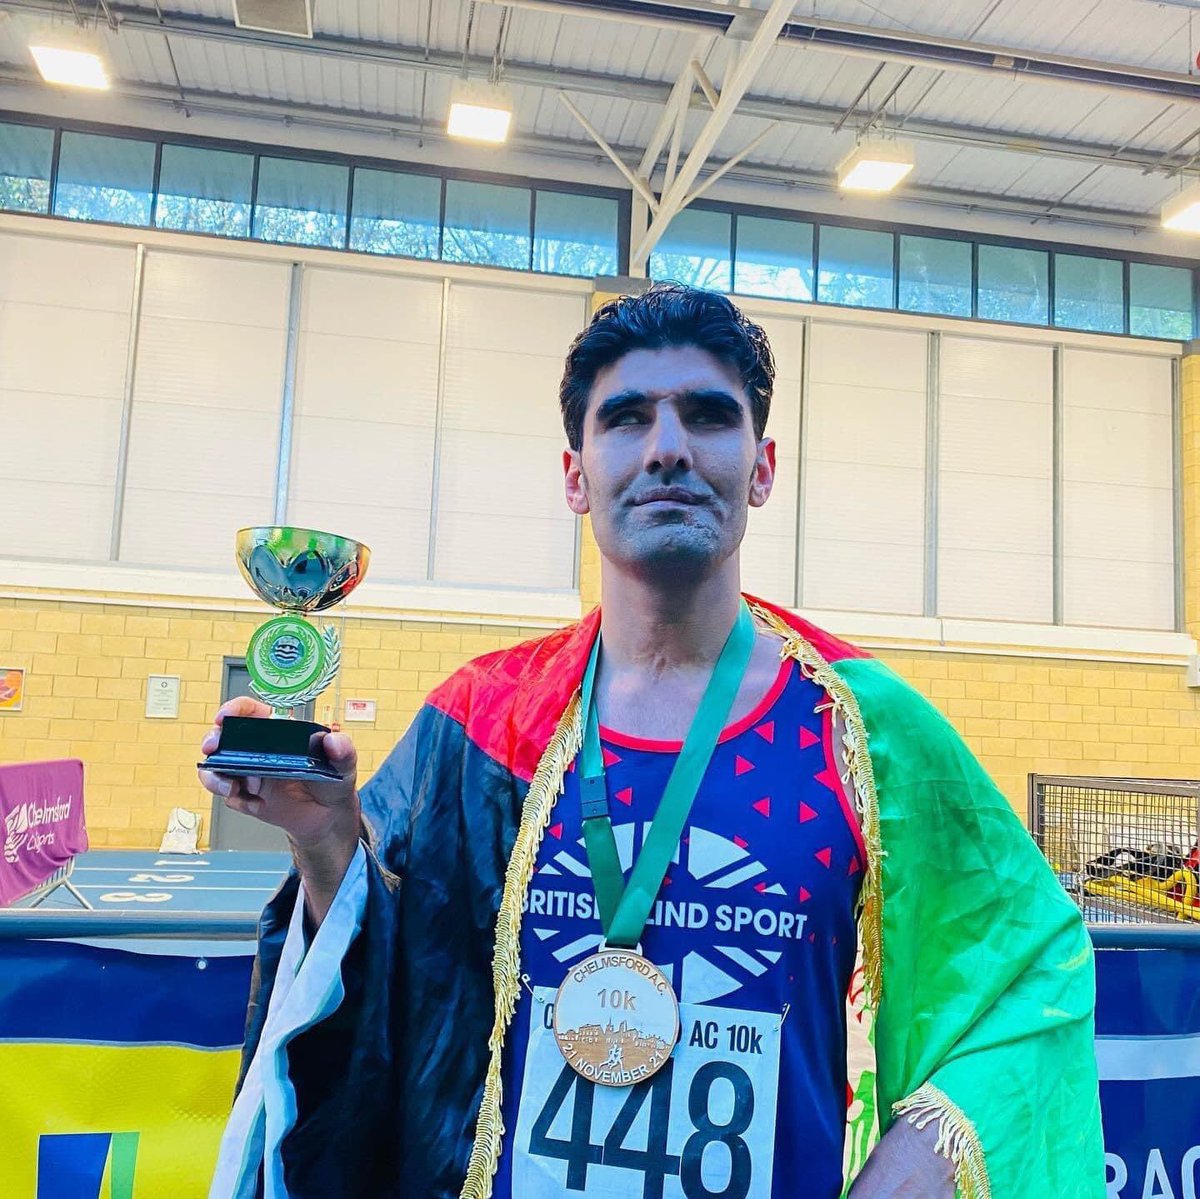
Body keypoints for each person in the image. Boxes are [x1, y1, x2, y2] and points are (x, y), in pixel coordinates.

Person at [199, 284, 1105, 1199]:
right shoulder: (481, 719)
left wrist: (899, 1180)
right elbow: (390, 989)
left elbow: (1031, 975)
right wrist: (325, 839)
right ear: (575, 475)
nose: (668, 446)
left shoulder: (870, 729)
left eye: (708, 415)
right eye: (627, 417)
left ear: (762, 468)